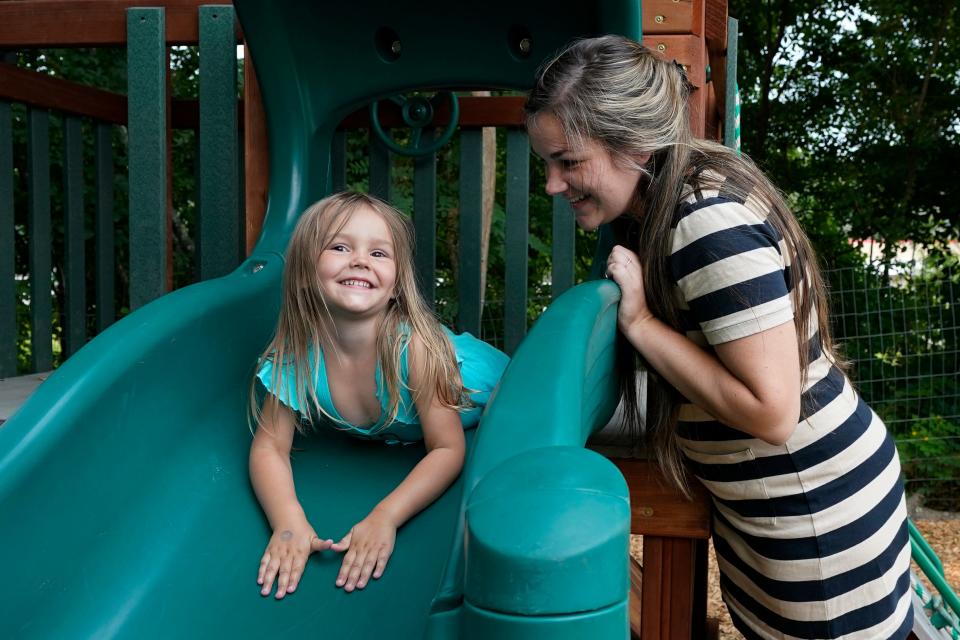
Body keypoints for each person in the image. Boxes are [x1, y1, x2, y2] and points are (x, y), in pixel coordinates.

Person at [525, 35, 913, 639]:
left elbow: (773, 410)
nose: (552, 184)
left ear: (633, 144)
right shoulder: (685, 194)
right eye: (545, 164)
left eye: (568, 161)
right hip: (792, 511)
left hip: (815, 522)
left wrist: (643, 326)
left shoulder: (705, 222)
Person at [248, 192, 509, 600]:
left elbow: (445, 448)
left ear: (395, 286)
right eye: (339, 246)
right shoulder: (297, 354)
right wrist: (288, 520)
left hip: (495, 390)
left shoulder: (414, 350)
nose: (360, 260)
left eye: (379, 253)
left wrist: (385, 515)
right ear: (303, 273)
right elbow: (269, 448)